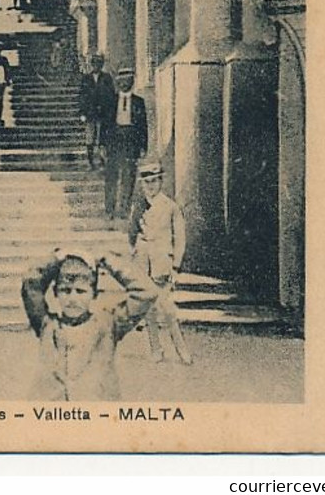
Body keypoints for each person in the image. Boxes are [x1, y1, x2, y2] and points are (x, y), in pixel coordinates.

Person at [21, 248, 155, 400]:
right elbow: (31, 283)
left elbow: (146, 292)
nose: (72, 299)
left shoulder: (108, 324)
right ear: (55, 293)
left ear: (94, 294)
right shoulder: (47, 325)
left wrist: (105, 259)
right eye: (65, 290)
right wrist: (56, 259)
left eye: (80, 291)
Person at [129, 160, 193, 365]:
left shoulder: (170, 207)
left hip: (161, 264)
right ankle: (156, 348)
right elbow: (131, 232)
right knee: (149, 310)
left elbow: (180, 238)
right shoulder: (138, 206)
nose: (150, 186)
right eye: (147, 182)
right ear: (142, 184)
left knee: (166, 309)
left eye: (154, 181)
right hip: (142, 263)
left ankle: (181, 349)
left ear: (161, 182)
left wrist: (176, 265)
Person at [102, 67, 148, 221]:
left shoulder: (138, 102)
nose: (124, 83)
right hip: (114, 141)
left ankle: (124, 210)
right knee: (111, 176)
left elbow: (143, 126)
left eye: (127, 80)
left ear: (132, 82)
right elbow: (105, 124)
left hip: (131, 142)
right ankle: (109, 209)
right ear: (117, 83)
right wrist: (102, 144)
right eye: (121, 81)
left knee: (129, 176)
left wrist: (143, 146)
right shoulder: (110, 101)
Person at [79, 54, 117, 169]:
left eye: (99, 64)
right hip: (90, 113)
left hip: (103, 113)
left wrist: (110, 112)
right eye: (94, 64)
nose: (96, 66)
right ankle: (90, 162)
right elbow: (82, 97)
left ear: (101, 65)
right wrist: (82, 113)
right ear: (91, 65)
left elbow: (111, 95)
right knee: (90, 137)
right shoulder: (86, 78)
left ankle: (102, 161)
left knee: (102, 137)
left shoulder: (107, 78)